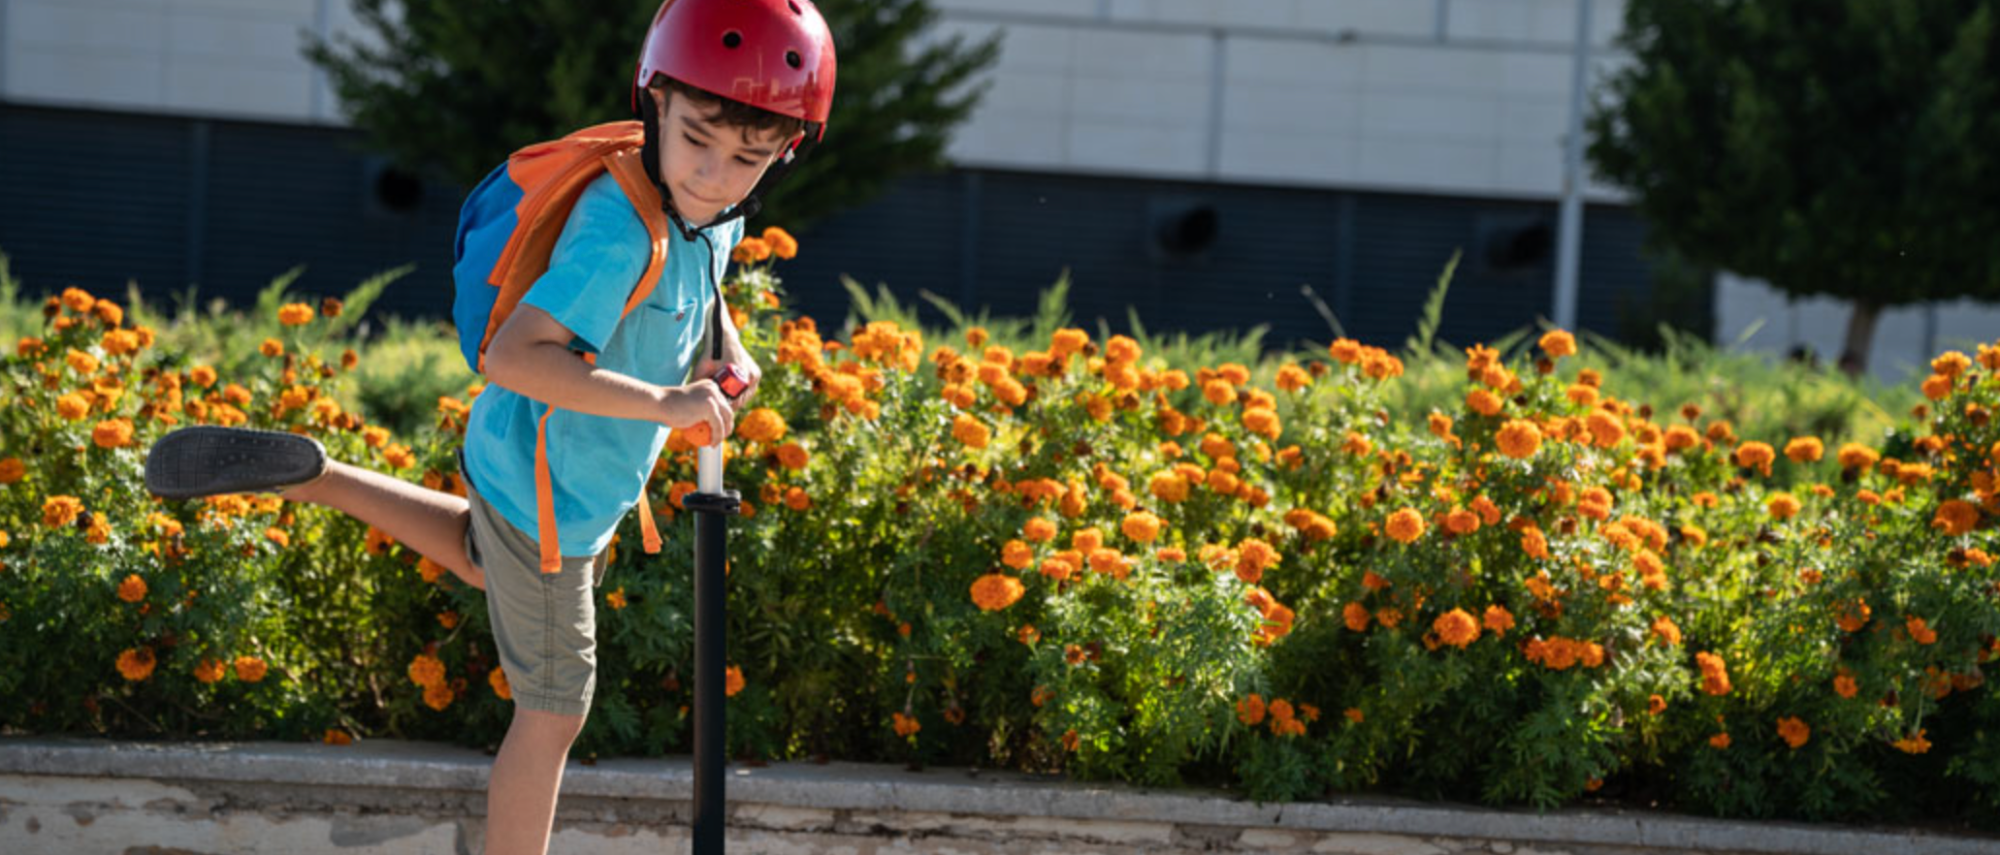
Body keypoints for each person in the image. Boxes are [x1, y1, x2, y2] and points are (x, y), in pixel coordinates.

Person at [142, 1, 835, 852]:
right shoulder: (617, 233)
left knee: (483, 553)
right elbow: (514, 354)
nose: (718, 174)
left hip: (534, 467)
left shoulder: (712, 211)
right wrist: (663, 406)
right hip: (550, 488)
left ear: (784, 152)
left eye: (750, 157)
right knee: (553, 710)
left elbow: (702, 277)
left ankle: (318, 476)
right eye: (699, 139)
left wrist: (719, 352)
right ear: (654, 99)